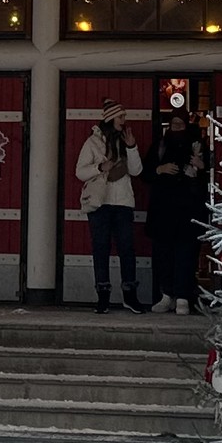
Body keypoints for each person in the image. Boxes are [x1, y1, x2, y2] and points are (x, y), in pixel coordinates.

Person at [74, 97, 146, 312]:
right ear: (110, 118)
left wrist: (132, 147)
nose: (124, 120)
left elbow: (136, 171)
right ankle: (103, 295)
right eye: (120, 116)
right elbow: (79, 172)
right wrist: (100, 167)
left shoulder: (126, 140)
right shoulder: (93, 143)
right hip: (100, 202)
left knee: (127, 249)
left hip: (123, 201)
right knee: (101, 248)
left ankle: (129, 295)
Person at [146, 89, 211, 315]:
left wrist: (200, 168)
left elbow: (213, 175)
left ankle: (183, 296)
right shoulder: (160, 147)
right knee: (164, 255)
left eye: (180, 125)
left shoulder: (199, 148)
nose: (177, 129)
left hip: (188, 212)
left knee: (186, 255)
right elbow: (145, 174)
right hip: (163, 211)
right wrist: (160, 169)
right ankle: (167, 295)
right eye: (173, 125)